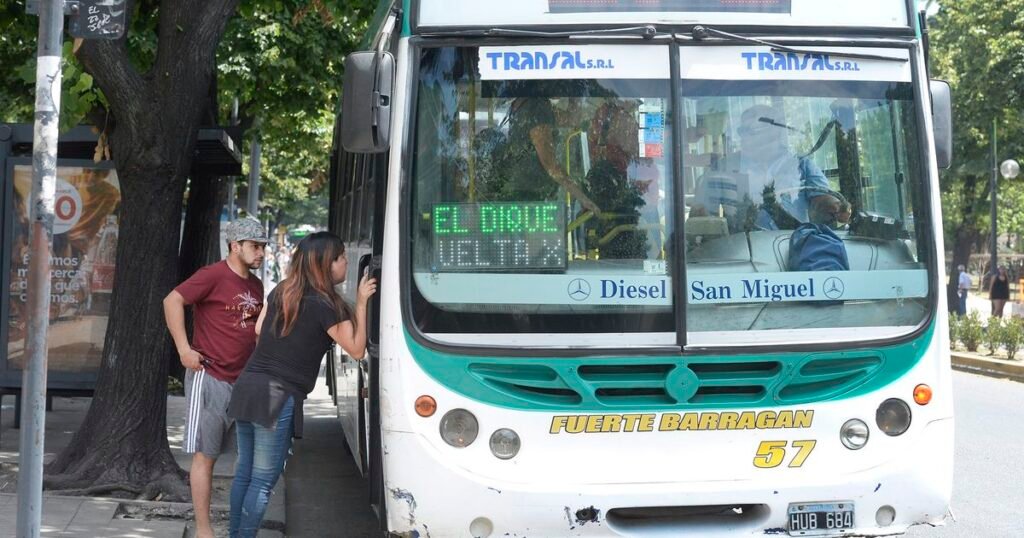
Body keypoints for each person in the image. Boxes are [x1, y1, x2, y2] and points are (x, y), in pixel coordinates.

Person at [226, 232, 376, 538]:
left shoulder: (283, 290)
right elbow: (358, 349)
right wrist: (361, 303)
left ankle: (234, 536)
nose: (347, 261)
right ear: (327, 263)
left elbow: (257, 329)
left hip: (248, 385)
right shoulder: (328, 305)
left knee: (244, 474)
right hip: (277, 396)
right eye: (342, 256)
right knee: (264, 480)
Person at [162, 217, 268, 538]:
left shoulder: (256, 284)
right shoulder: (213, 275)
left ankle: (237, 527)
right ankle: (203, 530)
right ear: (235, 246)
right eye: (255, 246)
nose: (261, 252)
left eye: (263, 246)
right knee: (205, 457)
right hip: (210, 379)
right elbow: (172, 300)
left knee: (245, 461)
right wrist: (183, 349)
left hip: (244, 383)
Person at [693, 104, 848, 231]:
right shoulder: (724, 167)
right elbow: (702, 218)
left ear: (775, 131)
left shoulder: (801, 164)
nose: (743, 136)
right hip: (742, 251)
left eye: (750, 130)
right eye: (742, 131)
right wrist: (703, 218)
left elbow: (823, 201)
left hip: (797, 245)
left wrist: (834, 207)